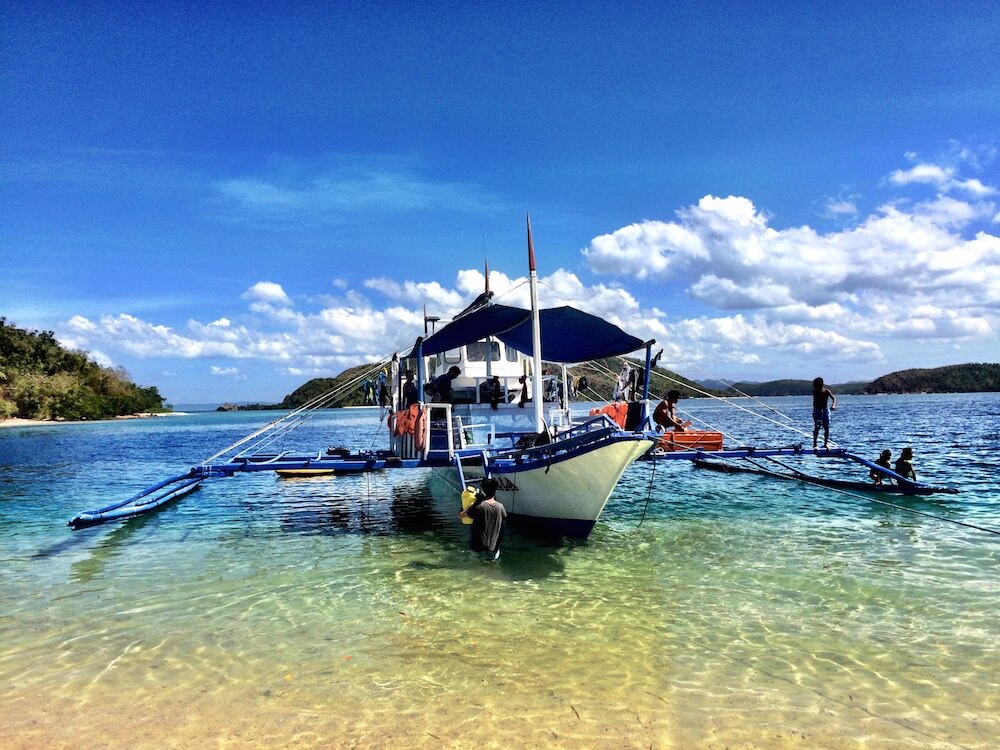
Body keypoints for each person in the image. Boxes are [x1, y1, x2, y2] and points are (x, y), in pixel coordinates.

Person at [458, 477, 506, 560]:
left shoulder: (479, 506)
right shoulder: (500, 507)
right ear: (496, 491)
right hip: (493, 548)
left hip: (478, 548)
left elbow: (461, 515)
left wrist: (474, 503)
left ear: (483, 489)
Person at [811, 377, 837, 449]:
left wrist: (833, 405)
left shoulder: (826, 391)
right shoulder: (815, 392)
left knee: (826, 427)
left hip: (825, 410)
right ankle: (815, 444)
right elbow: (815, 402)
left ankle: (826, 443)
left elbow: (834, 398)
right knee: (817, 427)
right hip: (817, 410)